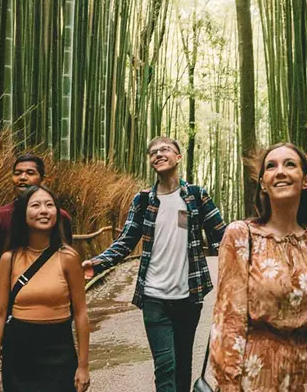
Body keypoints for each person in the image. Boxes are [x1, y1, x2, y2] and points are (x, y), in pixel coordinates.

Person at [84, 136, 230, 392]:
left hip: (189, 295)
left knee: (183, 363)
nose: (158, 154)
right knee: (165, 366)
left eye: (165, 150)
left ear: (178, 157)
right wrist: (98, 263)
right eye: (153, 152)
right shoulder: (143, 201)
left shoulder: (196, 196)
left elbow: (223, 235)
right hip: (154, 296)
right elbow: (126, 241)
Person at [211, 143, 307, 391]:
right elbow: (229, 318)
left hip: (305, 377)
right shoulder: (241, 235)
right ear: (263, 183)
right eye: (271, 166)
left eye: (290, 164)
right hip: (256, 374)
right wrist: (229, 382)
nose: (281, 171)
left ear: (306, 180)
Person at [0, 186, 92, 392]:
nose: (44, 210)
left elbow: (81, 313)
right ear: (23, 215)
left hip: (59, 347)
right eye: (35, 205)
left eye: (49, 205)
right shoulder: (9, 259)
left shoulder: (68, 258)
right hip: (19, 350)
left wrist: (83, 365)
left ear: (57, 213)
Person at [0, 154, 73, 317]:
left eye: (30, 173)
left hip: (51, 300)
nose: (22, 177)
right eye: (17, 173)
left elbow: (65, 260)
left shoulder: (60, 218)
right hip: (11, 302)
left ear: (42, 179)